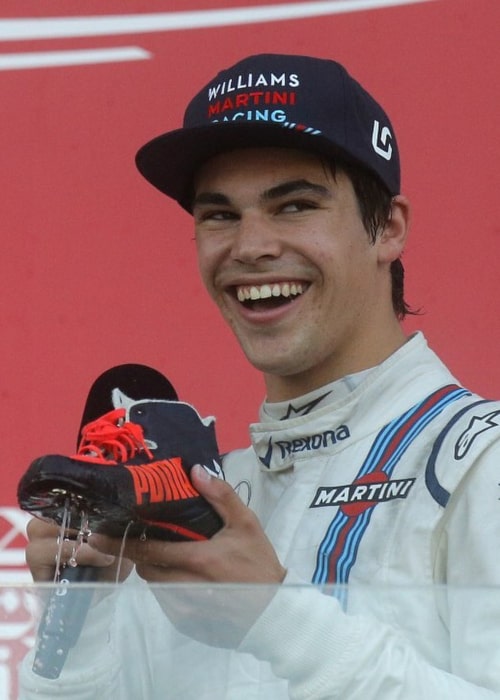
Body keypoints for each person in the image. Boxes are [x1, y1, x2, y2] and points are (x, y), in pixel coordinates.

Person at [19, 54, 500, 699]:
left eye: (295, 205)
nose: (250, 246)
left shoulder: (481, 463)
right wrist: (79, 621)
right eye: (219, 215)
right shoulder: (203, 493)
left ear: (388, 227)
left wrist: (275, 621)